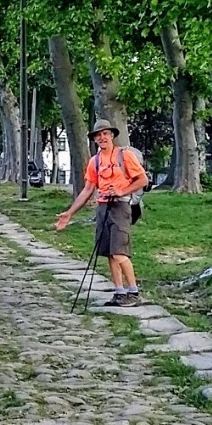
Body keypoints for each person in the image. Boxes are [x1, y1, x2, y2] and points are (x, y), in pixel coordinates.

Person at [55, 119, 148, 307]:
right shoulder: (94, 161)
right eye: (98, 135)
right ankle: (119, 293)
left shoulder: (125, 155)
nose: (102, 137)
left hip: (121, 207)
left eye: (105, 133)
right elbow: (87, 189)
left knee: (120, 252)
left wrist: (122, 191)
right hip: (103, 207)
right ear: (95, 139)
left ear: (112, 135)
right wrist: (70, 213)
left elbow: (142, 180)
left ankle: (134, 292)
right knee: (109, 253)